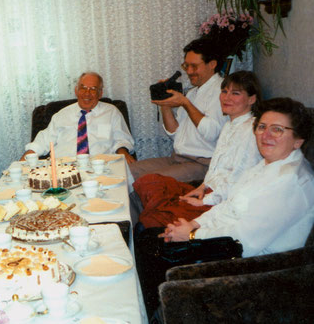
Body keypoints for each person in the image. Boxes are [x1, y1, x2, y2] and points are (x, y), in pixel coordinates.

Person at [135, 97, 314, 317]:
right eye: (262, 127)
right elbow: (228, 205)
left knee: (152, 252)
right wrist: (193, 223)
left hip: (252, 265)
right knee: (148, 237)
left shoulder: (290, 181)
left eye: (277, 130)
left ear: (297, 140)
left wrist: (192, 236)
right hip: (226, 242)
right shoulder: (267, 165)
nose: (265, 135)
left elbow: (244, 239)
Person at [135, 71, 263, 229]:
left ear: (252, 99)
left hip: (220, 202)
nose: (226, 98)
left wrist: (204, 201)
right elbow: (215, 167)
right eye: (224, 92)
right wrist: (201, 188)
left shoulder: (251, 131)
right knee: (147, 182)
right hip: (208, 190)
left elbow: (237, 182)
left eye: (235, 93)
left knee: (153, 218)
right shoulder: (230, 125)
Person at [129, 38, 228, 182]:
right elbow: (174, 134)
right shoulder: (193, 93)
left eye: (194, 66)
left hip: (202, 163)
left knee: (149, 182)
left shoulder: (223, 92)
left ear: (212, 64)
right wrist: (165, 104)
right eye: (186, 66)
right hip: (177, 158)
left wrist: (185, 103)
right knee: (127, 172)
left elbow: (211, 132)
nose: (188, 71)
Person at [20, 72, 135, 163]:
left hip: (100, 166)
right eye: (83, 88)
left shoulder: (111, 112)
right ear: (76, 91)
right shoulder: (61, 115)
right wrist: (28, 155)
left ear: (100, 93)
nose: (87, 93)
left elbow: (122, 139)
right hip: (64, 167)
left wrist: (123, 151)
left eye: (93, 89)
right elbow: (44, 140)